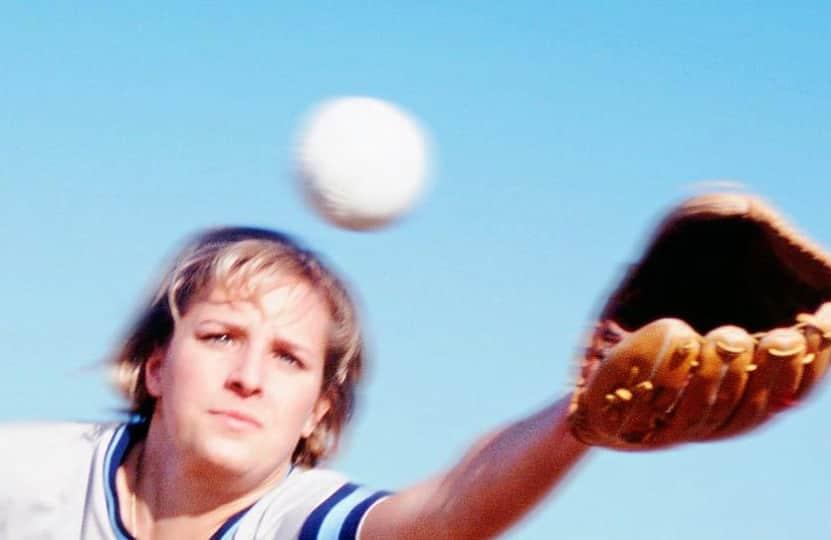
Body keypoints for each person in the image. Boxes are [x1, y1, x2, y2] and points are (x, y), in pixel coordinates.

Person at [0, 226, 589, 539]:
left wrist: (581, 415)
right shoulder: (30, 471)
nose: (248, 378)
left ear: (316, 412)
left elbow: (444, 515)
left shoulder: (291, 521)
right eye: (221, 337)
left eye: (288, 358)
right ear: (157, 366)